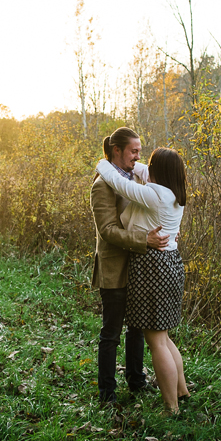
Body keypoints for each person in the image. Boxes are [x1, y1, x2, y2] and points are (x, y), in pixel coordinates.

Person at [95, 147, 190, 414]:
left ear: (157, 170)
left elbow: (118, 182)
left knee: (157, 342)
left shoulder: (153, 194)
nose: (142, 164)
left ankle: (171, 407)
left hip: (153, 267)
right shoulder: (175, 194)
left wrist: (103, 162)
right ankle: (181, 391)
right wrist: (133, 161)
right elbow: (142, 171)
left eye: (148, 162)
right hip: (171, 263)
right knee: (165, 338)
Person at [90, 127, 168, 405]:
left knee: (137, 328)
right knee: (111, 333)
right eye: (133, 151)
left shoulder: (137, 177)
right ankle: (107, 393)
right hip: (114, 268)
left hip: (139, 266)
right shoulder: (101, 186)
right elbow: (108, 231)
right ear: (117, 151)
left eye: (139, 150)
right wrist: (144, 240)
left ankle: (137, 381)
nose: (137, 156)